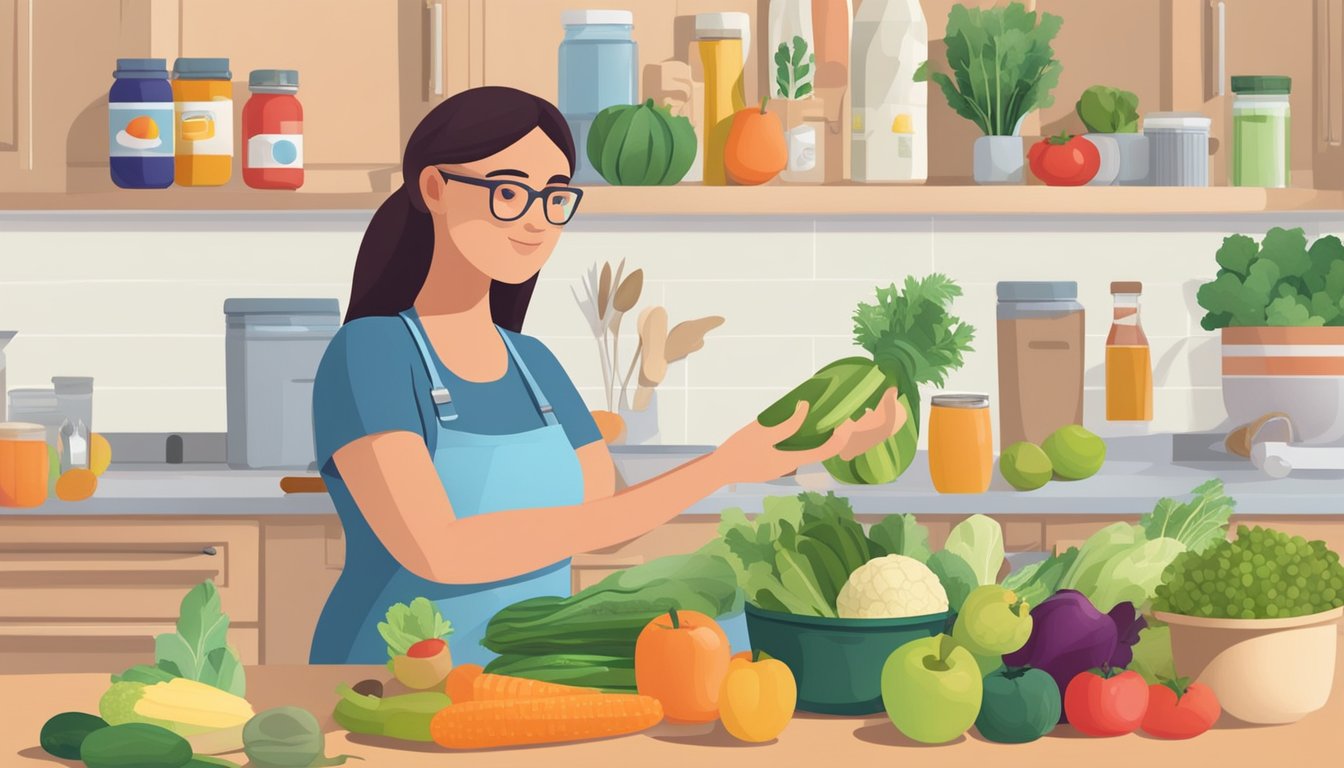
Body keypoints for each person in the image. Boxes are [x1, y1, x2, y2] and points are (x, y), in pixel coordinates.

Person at [308, 86, 906, 666]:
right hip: (389, 678)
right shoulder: (371, 353)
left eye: (555, 197)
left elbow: (605, 522)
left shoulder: (534, 363)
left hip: (524, 675)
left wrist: (791, 450)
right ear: (435, 187)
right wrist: (723, 466)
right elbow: (440, 550)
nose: (537, 220)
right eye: (510, 192)